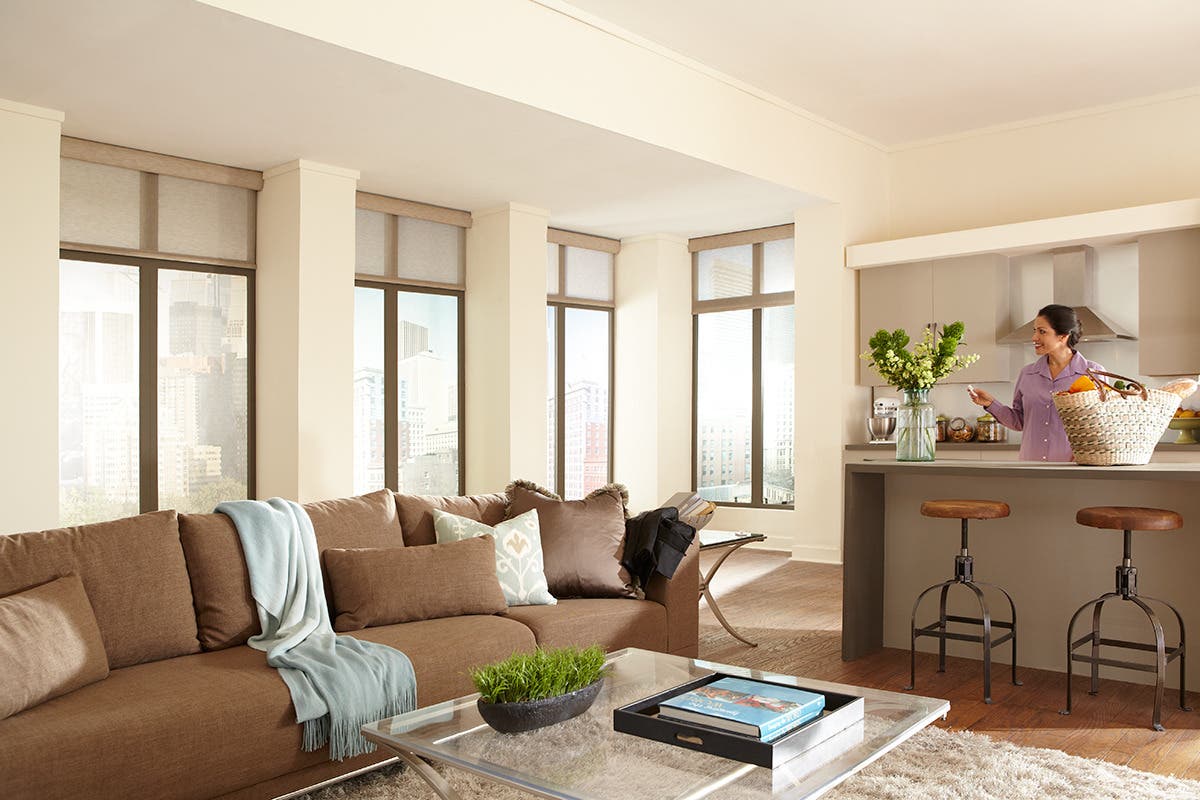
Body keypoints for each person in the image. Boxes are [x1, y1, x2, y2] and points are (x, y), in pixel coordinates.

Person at [967, 304, 1104, 462]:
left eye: (1042, 331)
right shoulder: (1027, 374)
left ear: (1063, 336)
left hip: (1072, 469)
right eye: (1035, 331)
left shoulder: (1093, 374)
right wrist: (991, 403)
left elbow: (1100, 427)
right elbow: (1019, 422)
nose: (1034, 338)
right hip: (1030, 465)